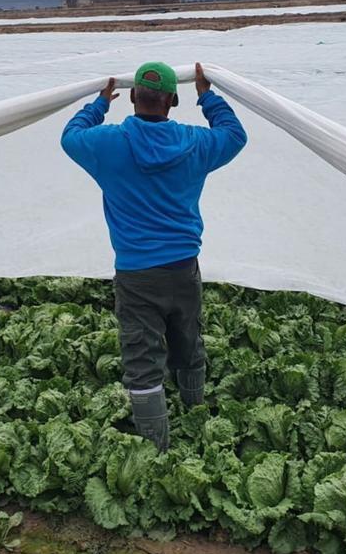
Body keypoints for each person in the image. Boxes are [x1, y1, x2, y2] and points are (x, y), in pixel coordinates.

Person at [60, 62, 247, 451]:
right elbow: (234, 135)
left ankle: (155, 450)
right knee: (188, 339)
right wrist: (208, 96)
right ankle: (196, 418)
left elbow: (70, 136)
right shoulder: (195, 142)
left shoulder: (106, 144)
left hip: (136, 273)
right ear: (173, 101)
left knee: (142, 357)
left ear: (131, 97)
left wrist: (98, 105)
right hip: (183, 268)